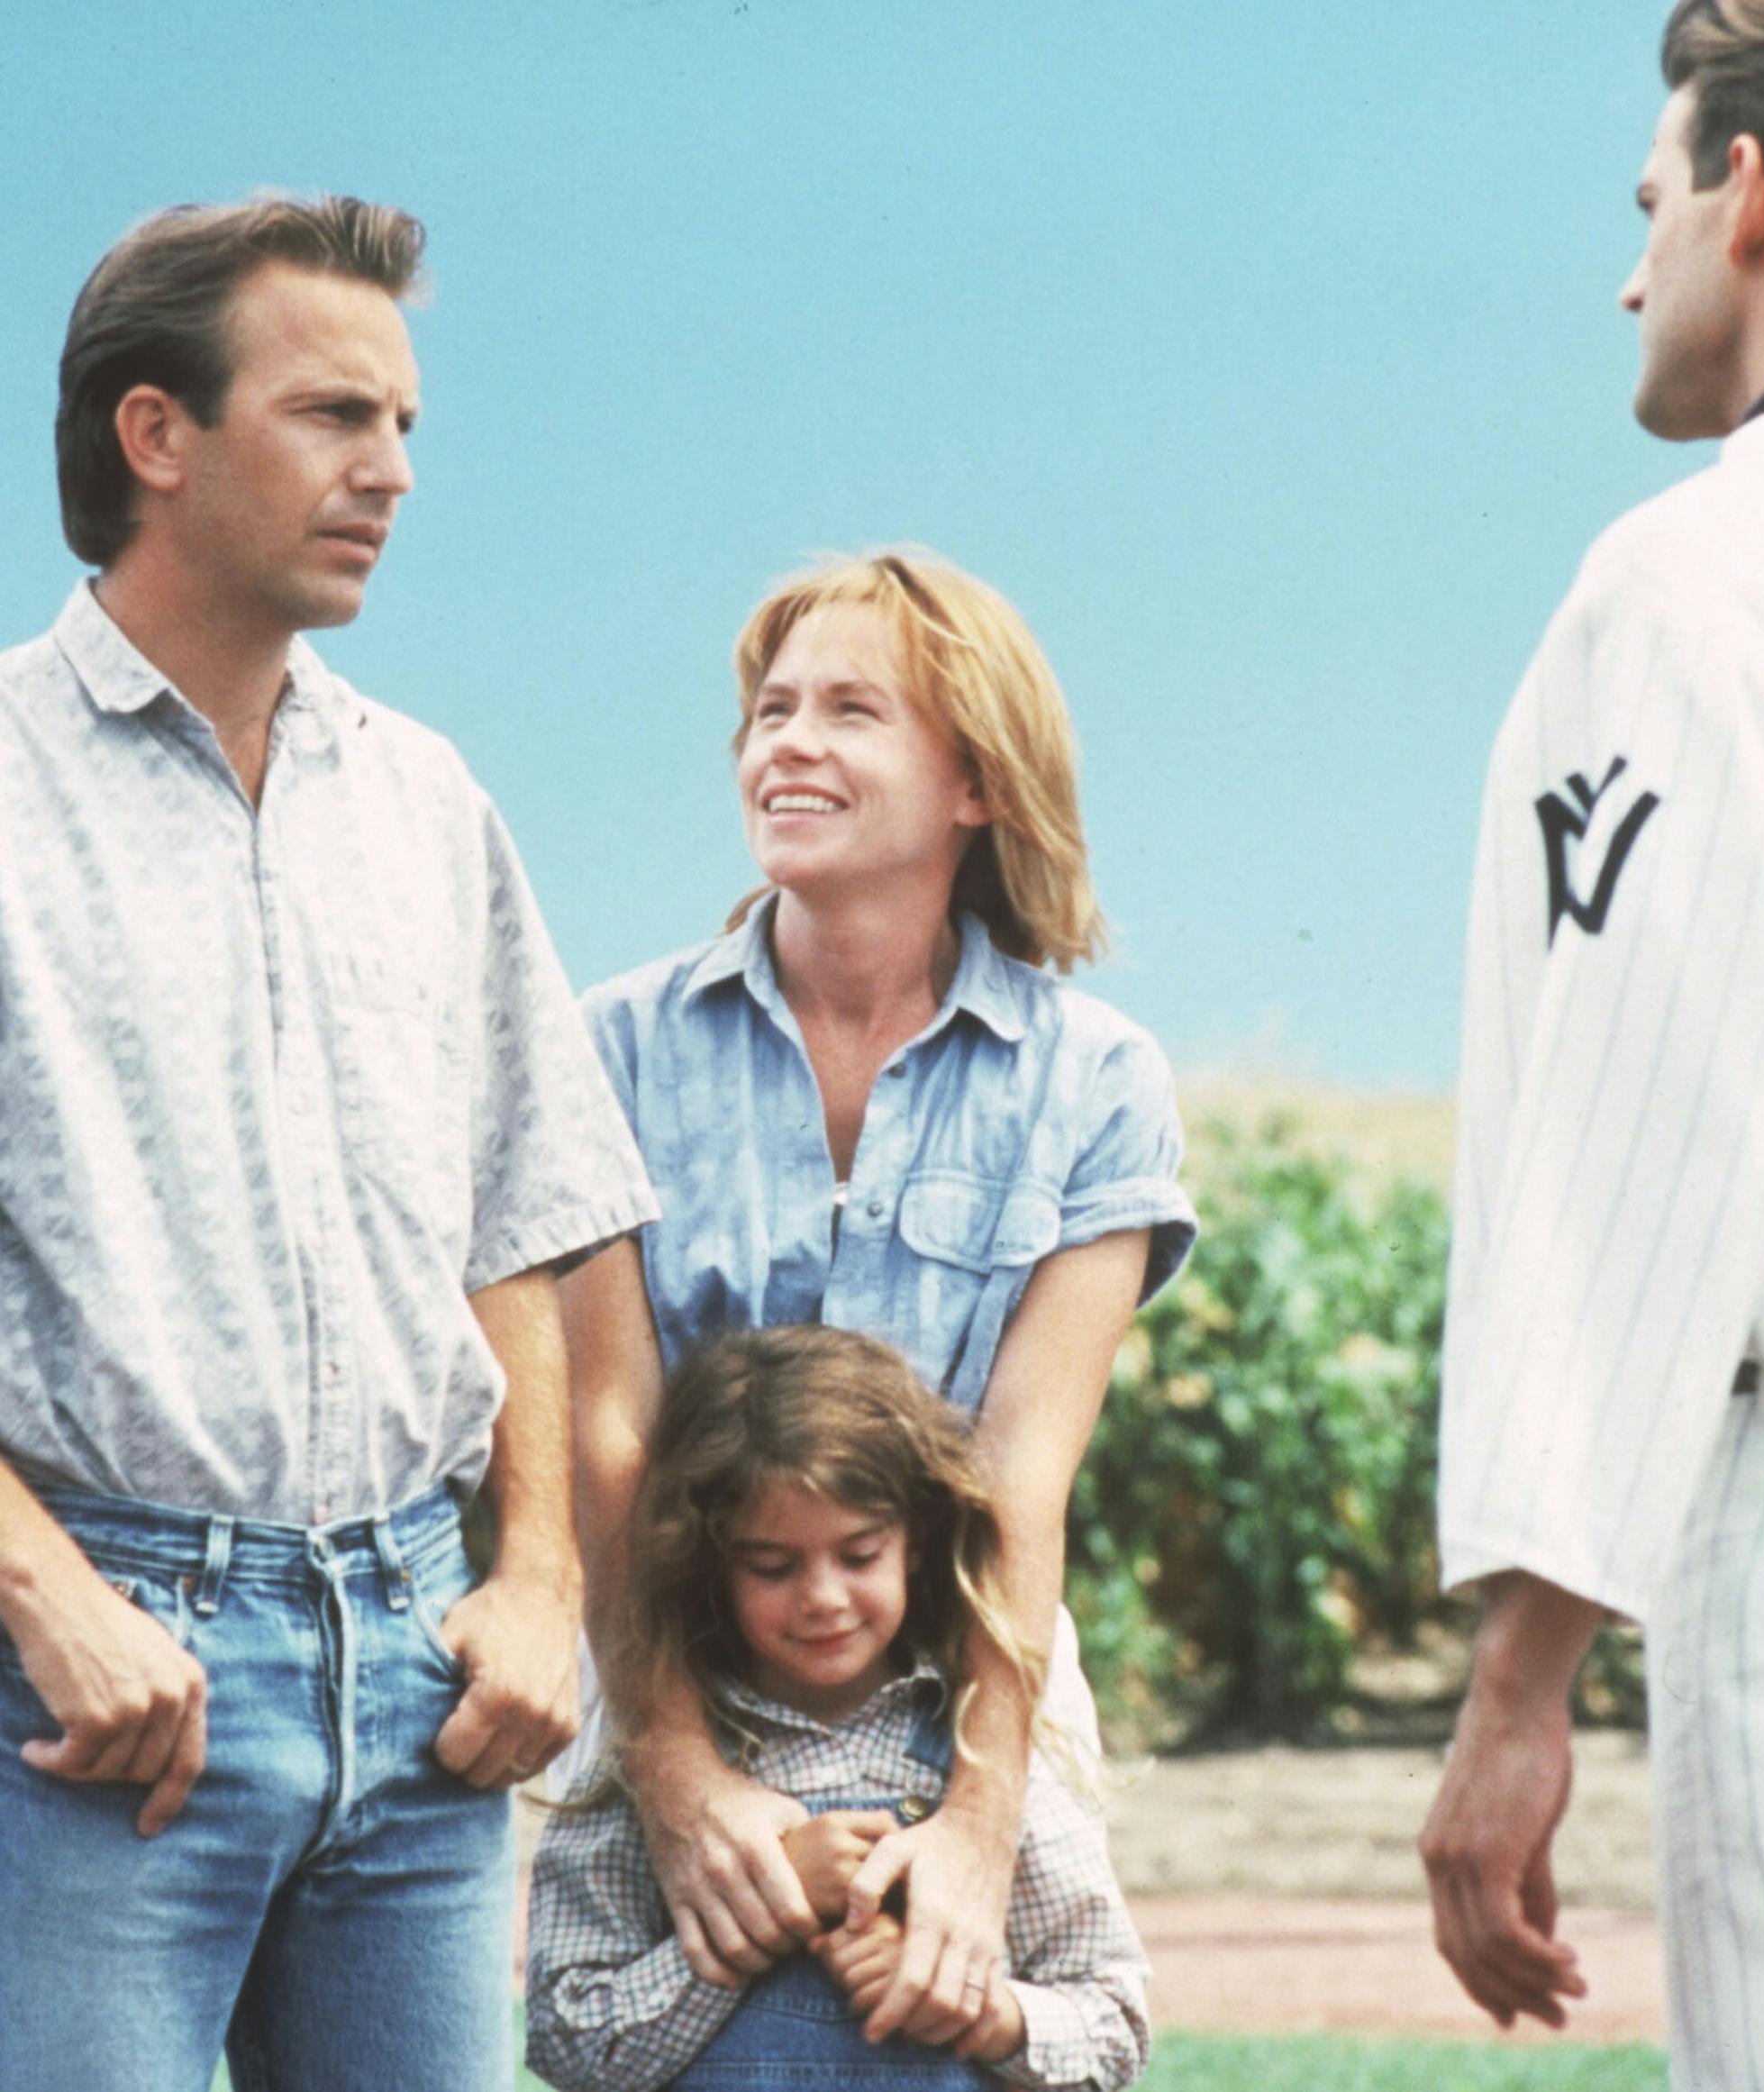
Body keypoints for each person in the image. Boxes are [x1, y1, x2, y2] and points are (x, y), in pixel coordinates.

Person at [0, 198, 659, 2092]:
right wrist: (51, 1600)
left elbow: (516, 1218)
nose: (391, 472)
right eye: (334, 415)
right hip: (96, 1699)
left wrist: (536, 1579)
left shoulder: (428, 801)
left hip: (421, 1687)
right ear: (156, 433)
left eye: (404, 425)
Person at [1419, 1, 1764, 2079]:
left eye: (1648, 202)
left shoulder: (1707, 577)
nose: (1630, 276)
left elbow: (1639, 1144)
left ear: (1752, 195)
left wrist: (1519, 1678)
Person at [560, 549, 1195, 2046]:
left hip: (967, 1691)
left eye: (852, 710)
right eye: (772, 711)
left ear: (977, 778)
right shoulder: (614, 1047)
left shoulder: (1096, 1080)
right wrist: (678, 1773)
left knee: (970, 2040)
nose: (787, 743)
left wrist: (980, 1819)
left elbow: (1021, 1477)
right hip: (679, 1673)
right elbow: (610, 1440)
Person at [526, 1323, 1150, 2089]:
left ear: (914, 1542)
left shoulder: (986, 1756)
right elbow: (568, 2038)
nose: (823, 1597)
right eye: (772, 1566)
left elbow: (1113, 2025)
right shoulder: (655, 1775)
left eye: (859, 1555)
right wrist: (763, 1908)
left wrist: (976, 2008)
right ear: (710, 1563)